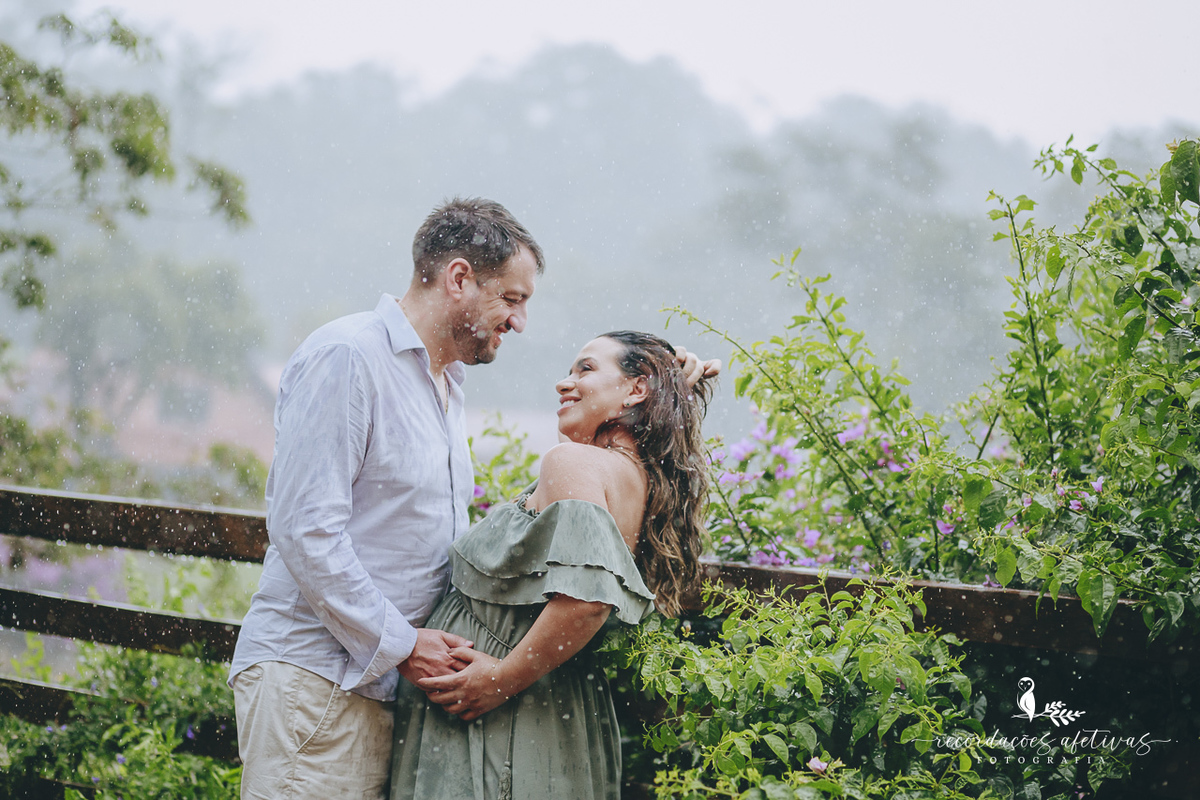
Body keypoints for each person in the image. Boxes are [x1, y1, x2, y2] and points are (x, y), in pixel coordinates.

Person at [228, 198, 718, 799]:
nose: (519, 321)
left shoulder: (444, 386)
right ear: (459, 278)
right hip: (322, 679)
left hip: (405, 690)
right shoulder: (350, 358)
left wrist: (662, 390)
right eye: (511, 299)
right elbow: (305, 530)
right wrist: (405, 646)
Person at [389, 330, 713, 800]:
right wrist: (669, 385)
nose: (564, 383)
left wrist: (498, 681)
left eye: (585, 369)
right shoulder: (636, 477)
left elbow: (587, 601)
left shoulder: (573, 463)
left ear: (637, 389)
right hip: (552, 709)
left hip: (498, 717)